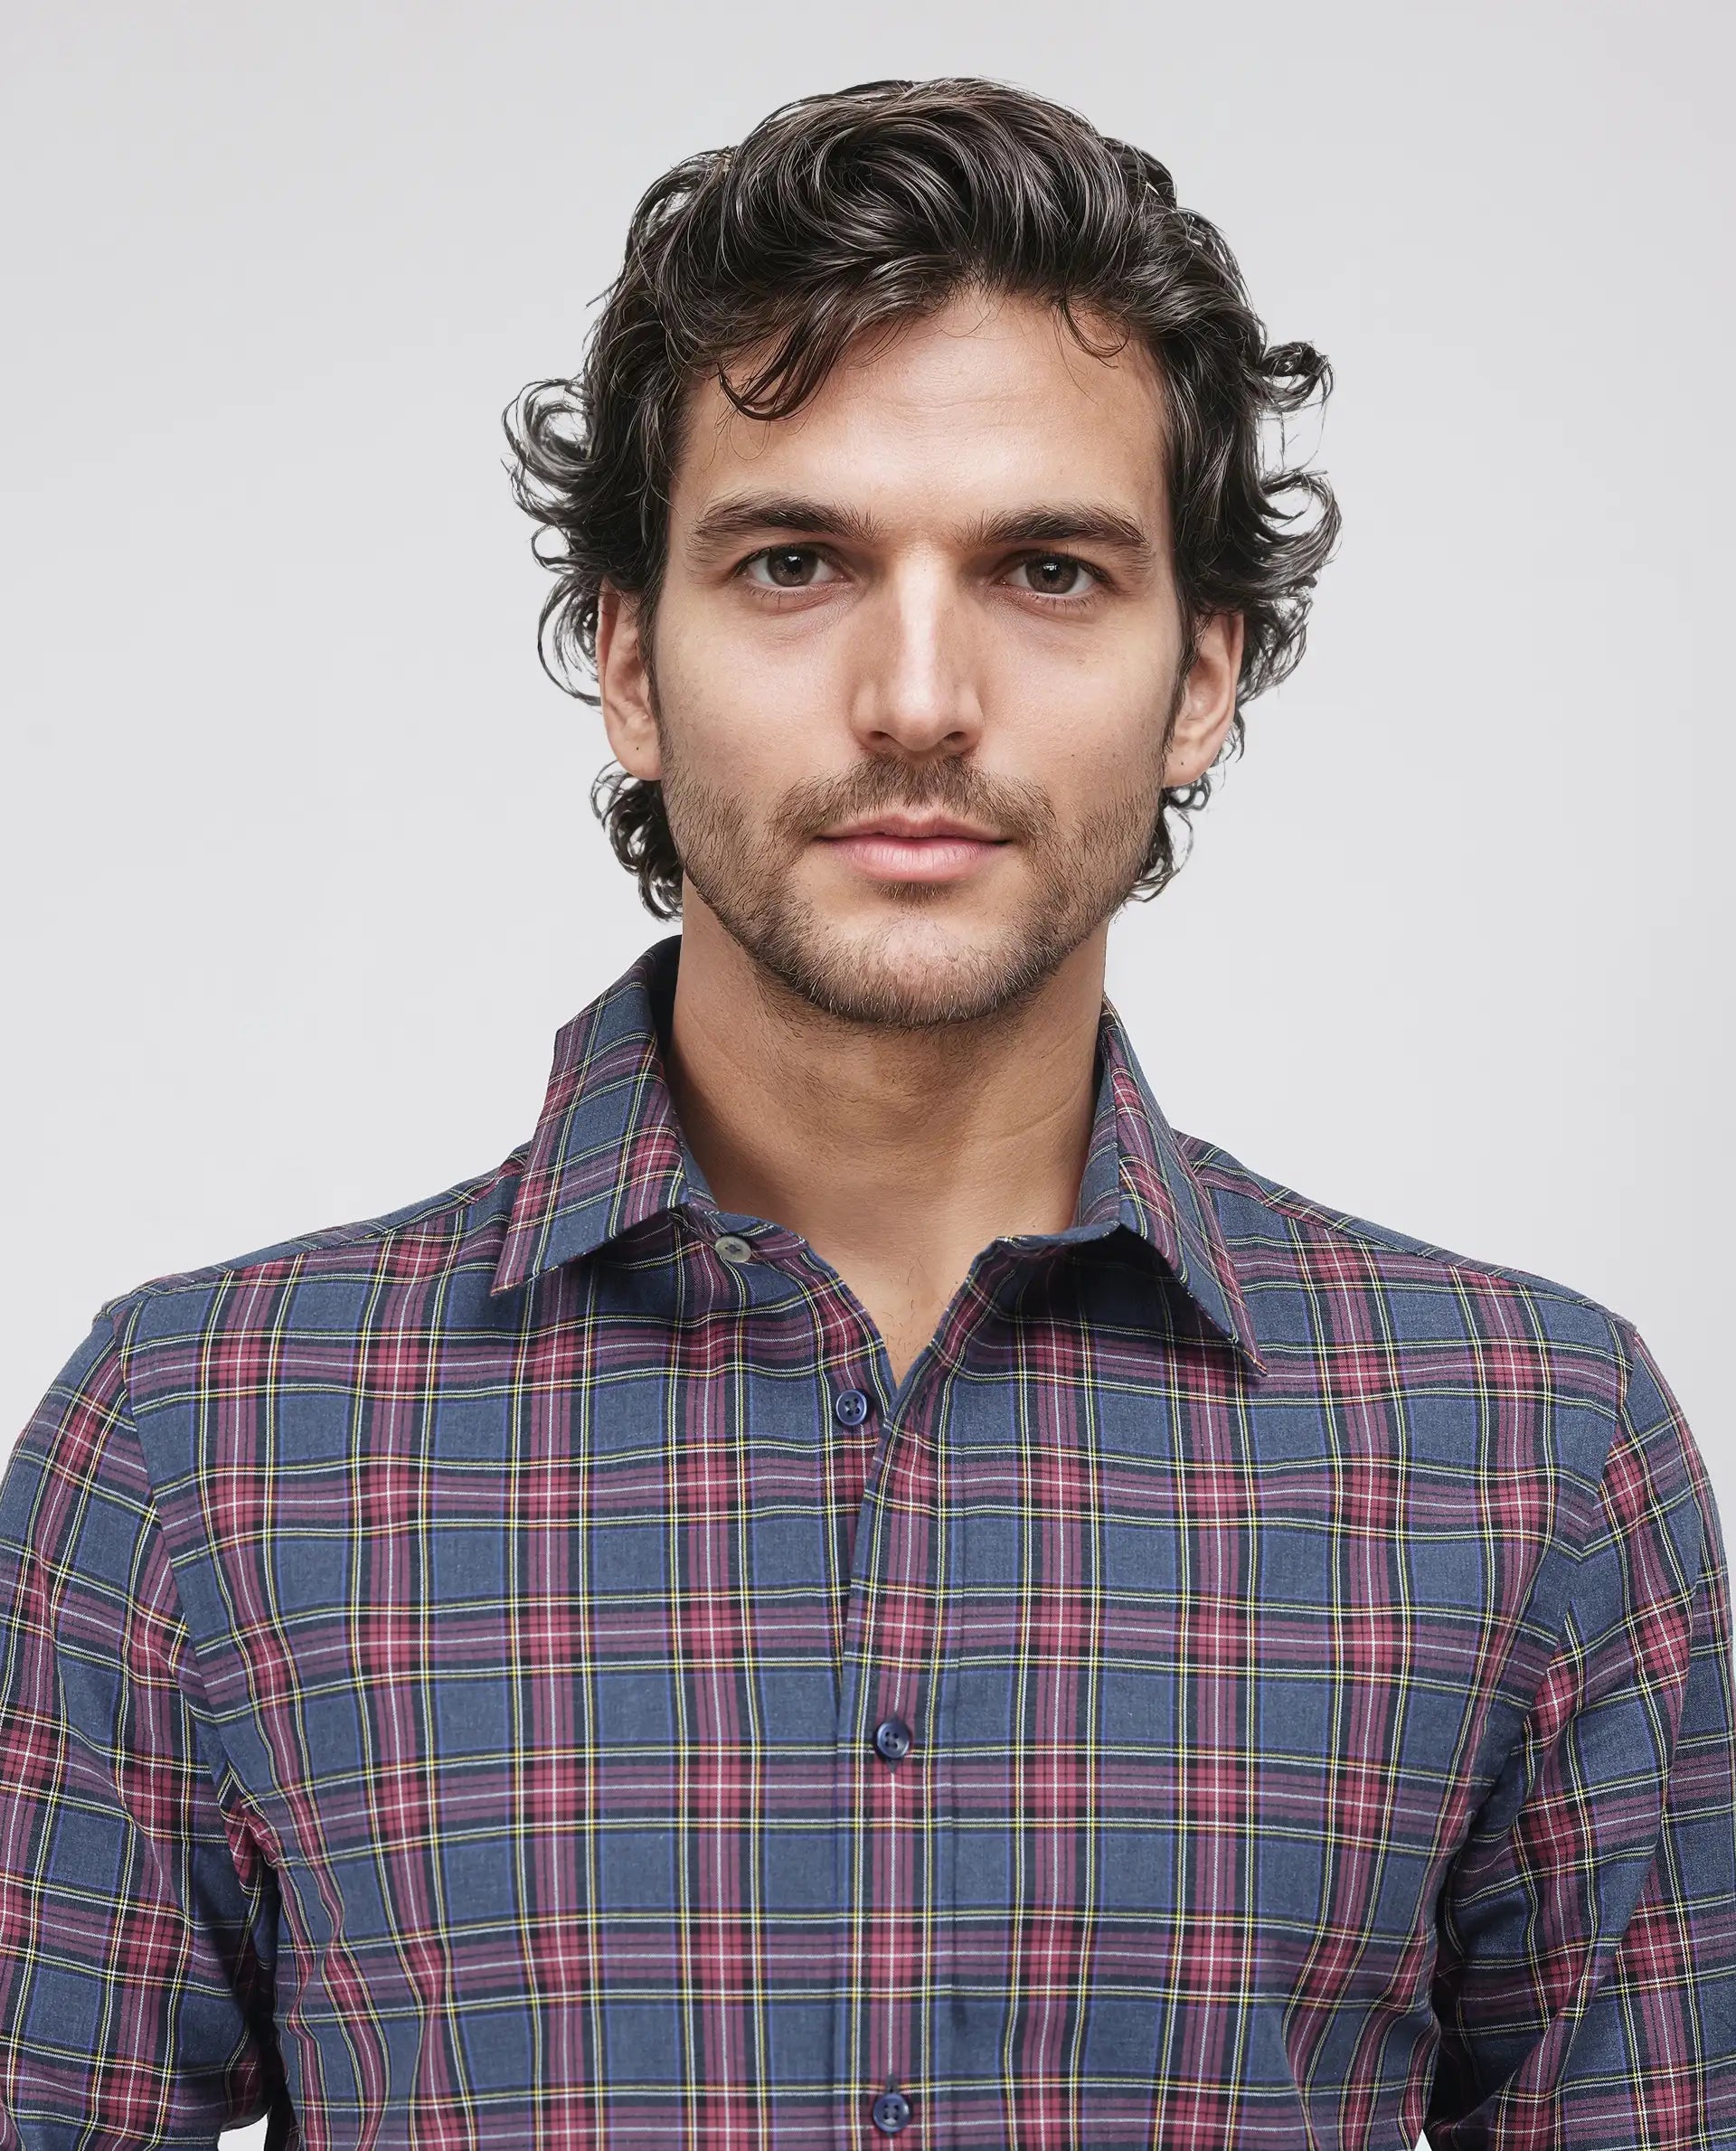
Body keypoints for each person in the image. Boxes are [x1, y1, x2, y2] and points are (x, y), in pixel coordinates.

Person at [1, 74, 1730, 2151]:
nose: (918, 698)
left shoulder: (1532, 1456)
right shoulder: (197, 1450)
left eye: (1049, 570)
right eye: (797, 559)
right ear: (630, 661)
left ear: (1204, 675)